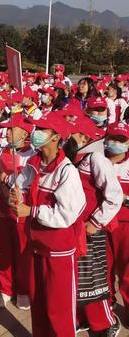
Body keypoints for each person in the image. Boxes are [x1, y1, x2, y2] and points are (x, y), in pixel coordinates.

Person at [9, 112, 86, 337]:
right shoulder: (34, 163)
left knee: (59, 310)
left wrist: (31, 210)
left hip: (58, 252)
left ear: (55, 137)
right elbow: (20, 185)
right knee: (39, 304)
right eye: (37, 129)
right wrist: (15, 195)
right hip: (36, 246)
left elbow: (67, 215)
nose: (36, 134)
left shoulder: (67, 171)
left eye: (42, 130)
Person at [63, 116, 122, 336]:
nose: (68, 138)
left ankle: (106, 322)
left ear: (85, 137)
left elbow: (114, 195)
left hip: (90, 229)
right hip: (73, 227)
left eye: (73, 135)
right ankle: (83, 318)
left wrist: (95, 222)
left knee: (94, 278)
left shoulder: (96, 157)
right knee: (78, 278)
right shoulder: (72, 156)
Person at [0, 114, 35, 310]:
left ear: (25, 133)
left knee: (23, 252)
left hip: (23, 212)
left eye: (11, 129)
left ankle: (24, 290)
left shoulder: (33, 155)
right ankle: (5, 289)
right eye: (6, 129)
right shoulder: (0, 152)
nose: (7, 133)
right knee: (3, 250)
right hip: (2, 209)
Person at [105, 122, 129, 321]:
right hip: (102, 224)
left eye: (121, 140)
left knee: (128, 271)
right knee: (104, 269)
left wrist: (124, 199)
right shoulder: (96, 161)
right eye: (113, 138)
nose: (116, 143)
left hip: (126, 225)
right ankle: (107, 305)